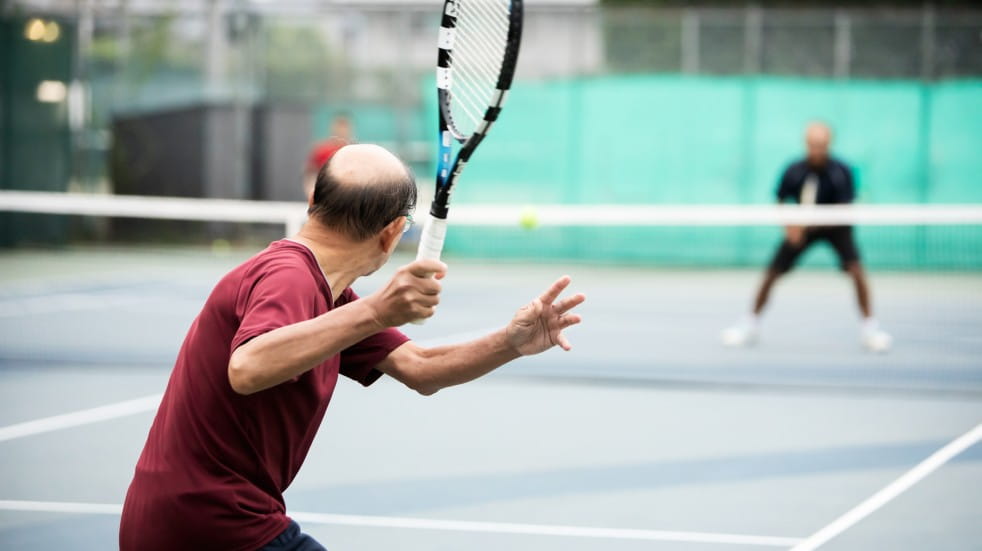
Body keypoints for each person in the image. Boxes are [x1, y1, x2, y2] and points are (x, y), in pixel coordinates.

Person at [119, 144, 585, 550]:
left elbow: (420, 367)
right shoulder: (290, 277)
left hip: (187, 520)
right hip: (213, 524)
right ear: (392, 232)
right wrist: (379, 310)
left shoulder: (329, 293)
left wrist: (511, 342)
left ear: (313, 200)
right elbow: (248, 366)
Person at [721, 122, 892, 352]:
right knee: (771, 273)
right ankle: (750, 324)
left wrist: (816, 222)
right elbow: (780, 200)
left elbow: (845, 208)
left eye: (821, 144)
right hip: (800, 230)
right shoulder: (794, 170)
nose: (817, 149)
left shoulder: (842, 171)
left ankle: (870, 328)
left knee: (856, 271)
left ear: (829, 144)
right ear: (806, 143)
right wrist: (790, 227)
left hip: (836, 229)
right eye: (812, 144)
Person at [303, 114, 354, 202]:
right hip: (324, 197)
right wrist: (311, 191)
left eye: (345, 126)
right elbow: (310, 174)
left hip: (348, 199)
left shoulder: (354, 150)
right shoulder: (321, 150)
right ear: (333, 127)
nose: (342, 130)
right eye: (339, 126)